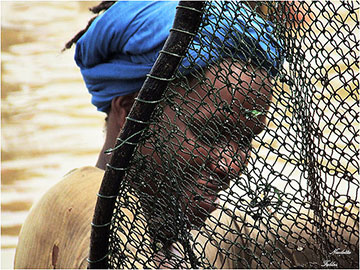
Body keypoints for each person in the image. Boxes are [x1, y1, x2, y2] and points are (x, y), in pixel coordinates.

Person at [14, 1, 358, 269]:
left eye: (246, 139)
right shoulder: (77, 204)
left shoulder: (197, 235)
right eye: (209, 133)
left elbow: (328, 233)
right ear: (134, 110)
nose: (233, 164)